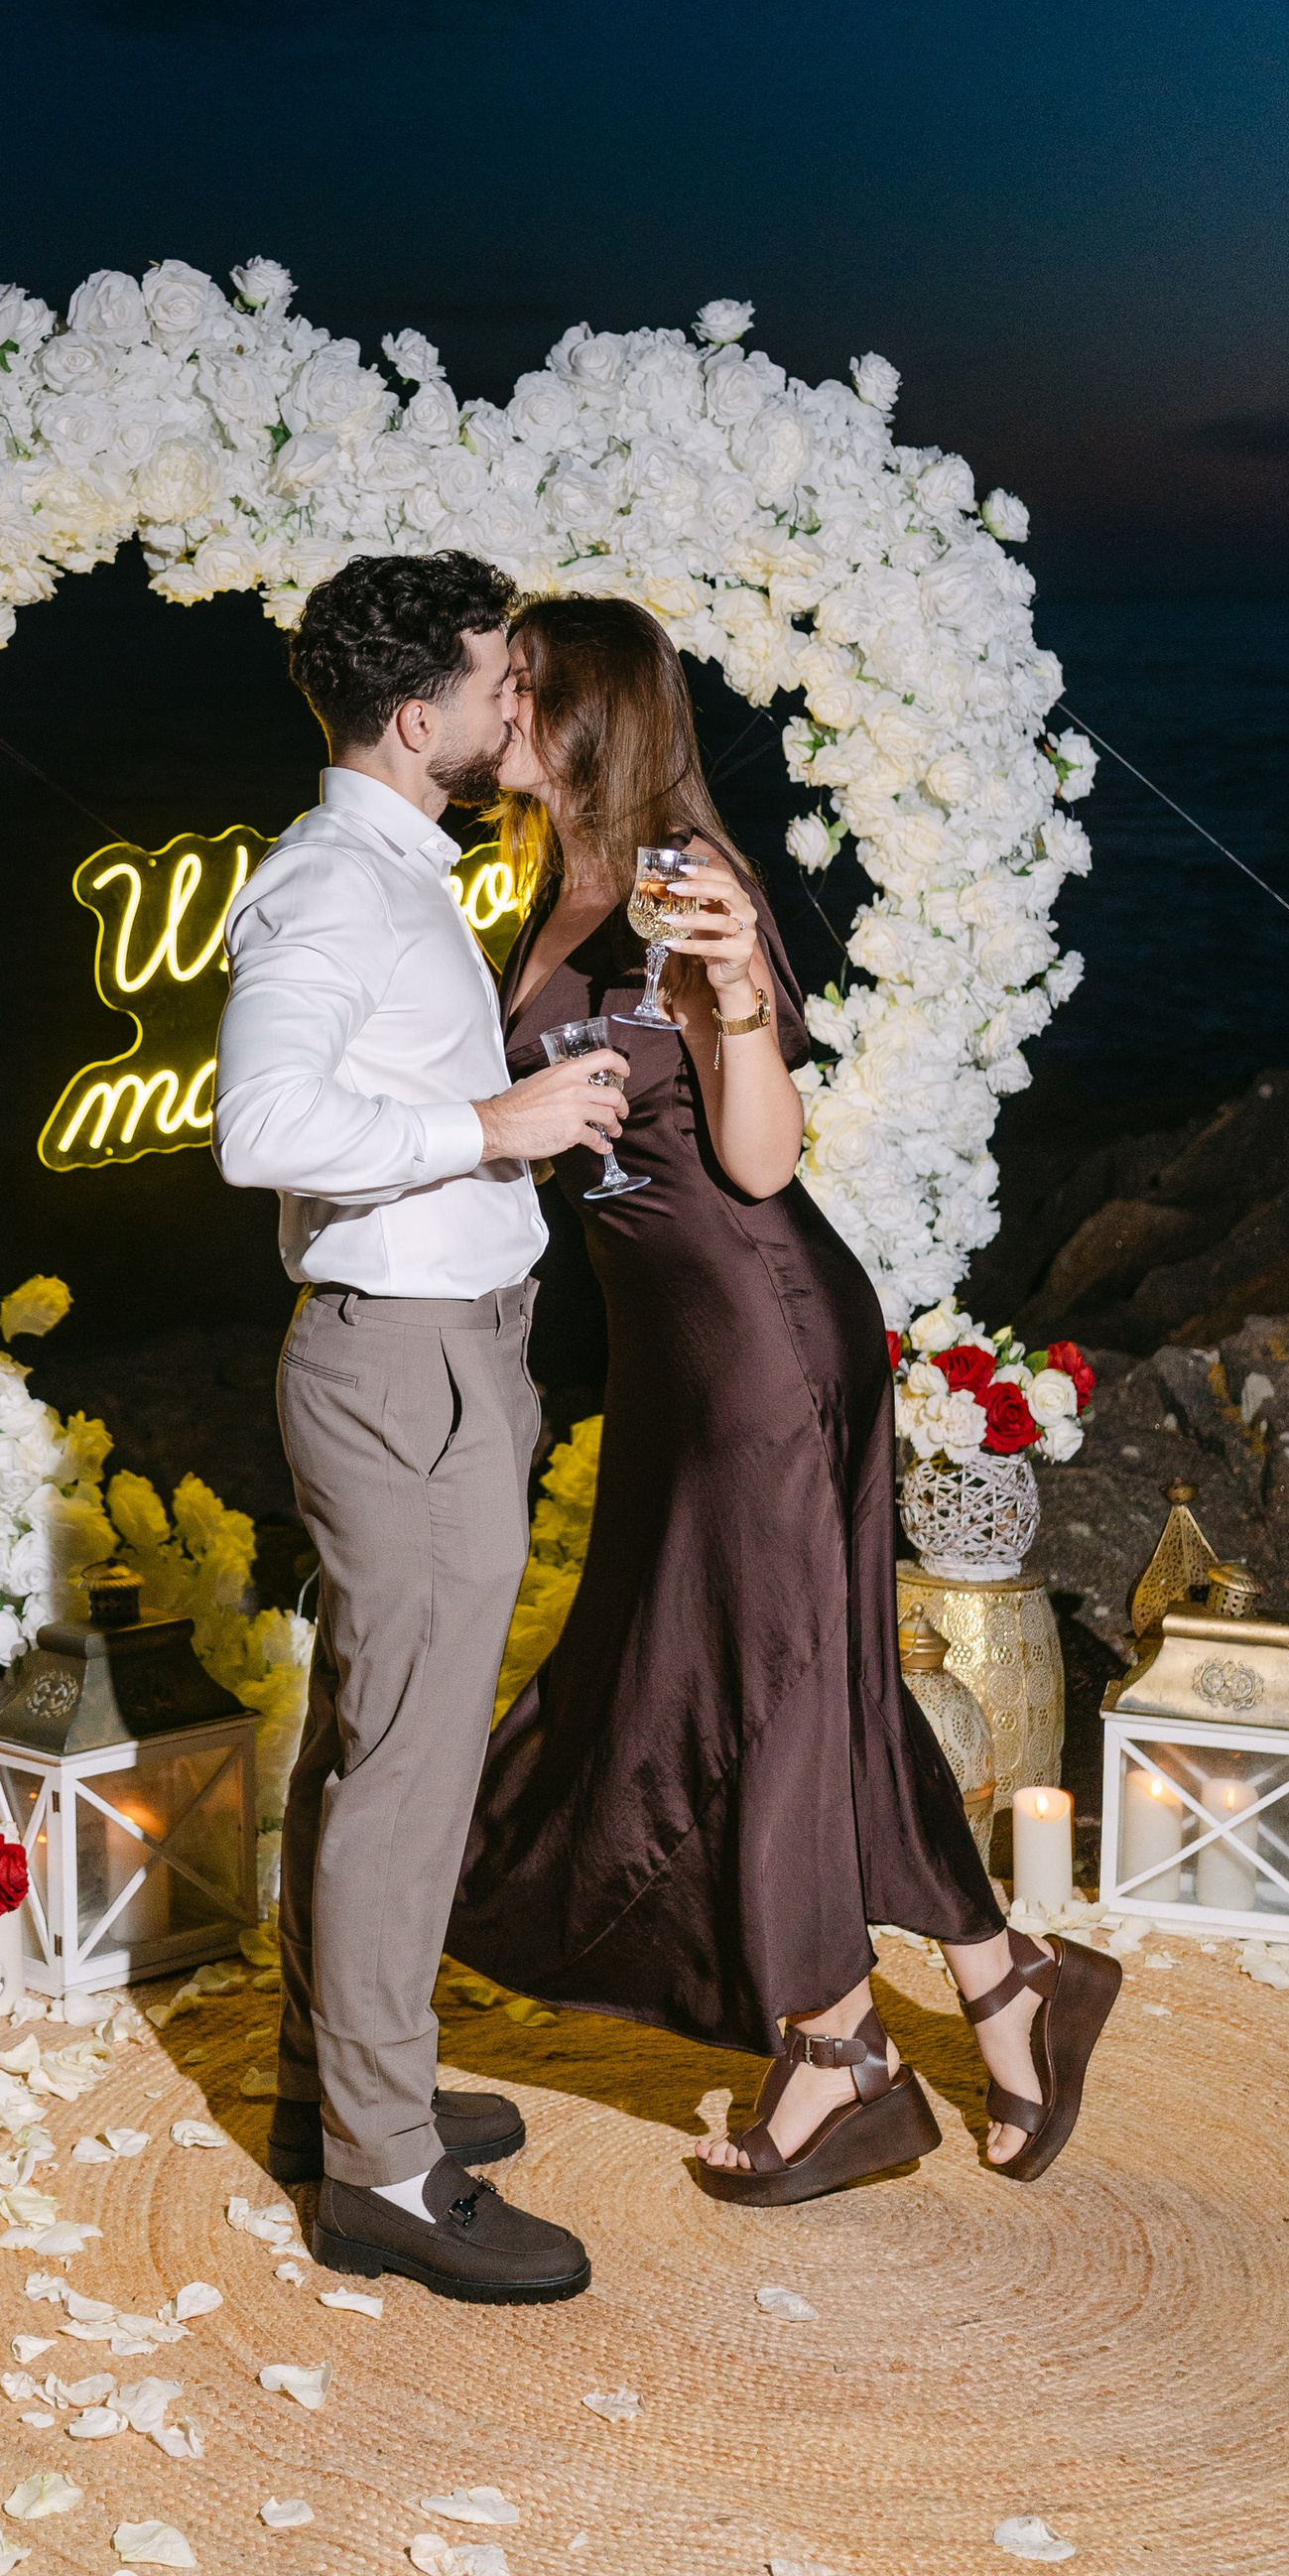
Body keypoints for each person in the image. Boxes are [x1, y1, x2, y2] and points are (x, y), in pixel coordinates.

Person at [449, 594, 1120, 2201]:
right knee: (793, 1671)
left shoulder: (690, 885)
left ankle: (839, 2053)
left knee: (743, 1679)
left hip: (761, 1338)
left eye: (527, 690)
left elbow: (756, 1159)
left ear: (596, 715)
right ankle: (1003, 1978)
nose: (500, 710)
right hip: (679, 1351)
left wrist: (744, 995)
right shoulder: (562, 881)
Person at [212, 552, 627, 2301]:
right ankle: (384, 2173)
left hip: (437, 1353)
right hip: (408, 1371)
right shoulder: (340, 886)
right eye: (492, 681)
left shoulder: (391, 872)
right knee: (410, 1769)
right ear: (416, 715)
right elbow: (259, 1126)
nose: (510, 707)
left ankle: (340, 2094)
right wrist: (499, 1121)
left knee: (368, 1747)